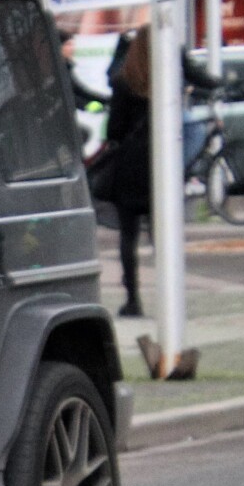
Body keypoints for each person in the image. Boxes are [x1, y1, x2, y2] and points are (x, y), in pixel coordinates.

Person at [94, 30, 153, 318]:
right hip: (159, 164)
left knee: (128, 235)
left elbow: (114, 130)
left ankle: (133, 298)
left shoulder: (123, 81)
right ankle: (170, 295)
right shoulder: (164, 82)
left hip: (130, 165)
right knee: (161, 235)